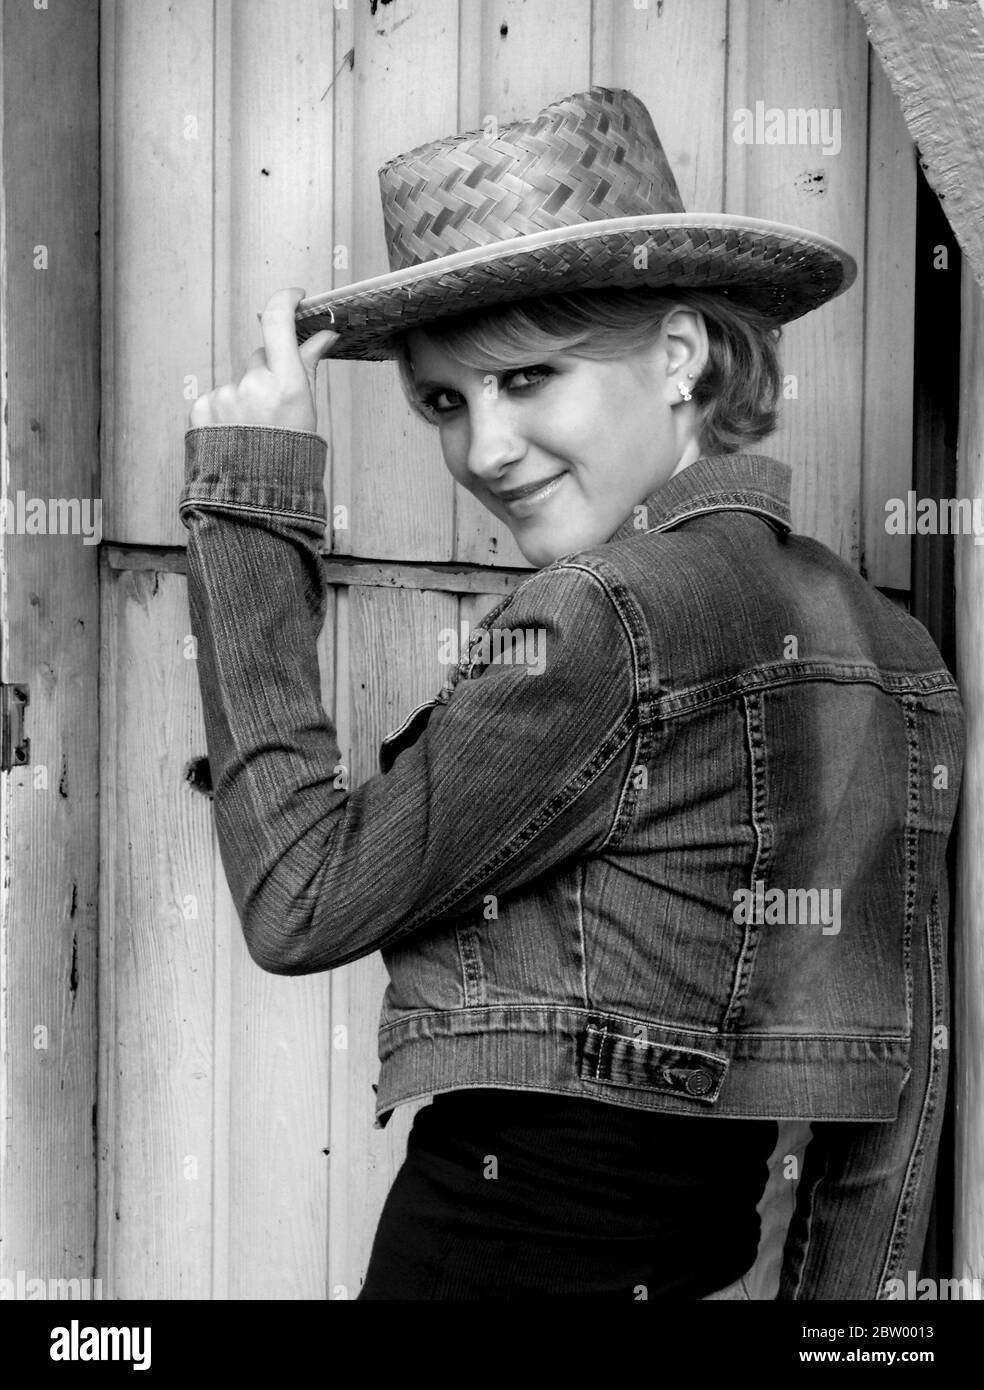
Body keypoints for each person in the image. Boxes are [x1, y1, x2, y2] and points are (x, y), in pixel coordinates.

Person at [179, 88, 965, 1299]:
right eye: (446, 400)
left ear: (680, 353)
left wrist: (246, 504)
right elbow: (894, 1103)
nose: (483, 450)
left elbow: (301, 896)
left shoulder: (598, 617)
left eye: (527, 377)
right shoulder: (898, 652)